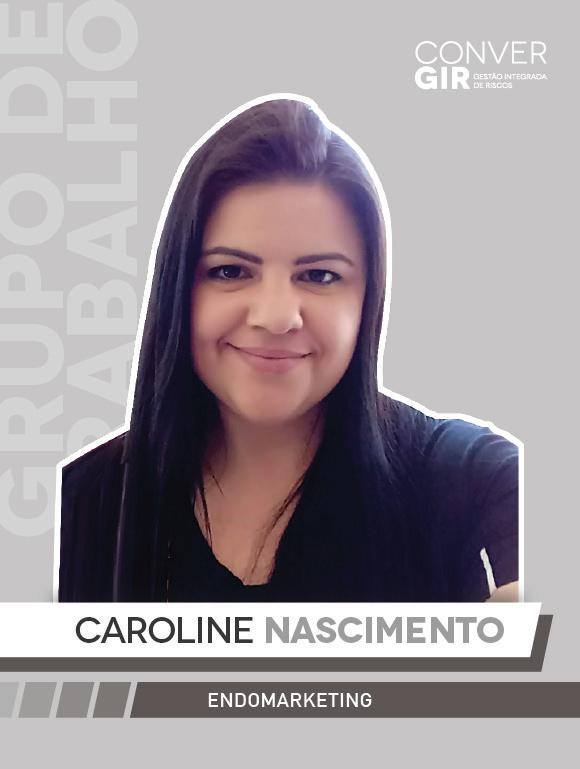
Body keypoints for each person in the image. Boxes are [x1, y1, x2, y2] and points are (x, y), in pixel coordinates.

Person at [57, 96, 519, 603]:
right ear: (178, 286)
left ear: (369, 299)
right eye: (230, 271)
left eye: (320, 276)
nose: (276, 317)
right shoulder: (74, 507)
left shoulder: (475, 480)